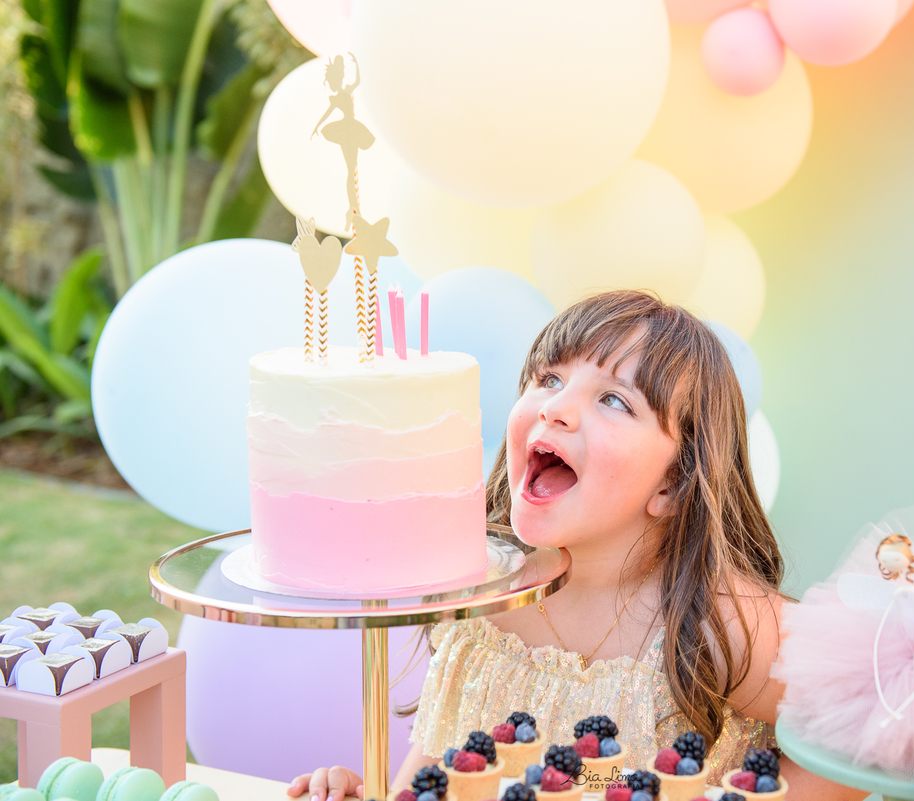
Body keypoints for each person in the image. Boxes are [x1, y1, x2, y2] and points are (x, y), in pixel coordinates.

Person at [288, 291, 868, 801]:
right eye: (548, 379)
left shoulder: (714, 622)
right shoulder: (478, 591)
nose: (556, 407)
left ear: (672, 483)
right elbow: (445, 773)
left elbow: (871, 725)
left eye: (614, 400)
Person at [311, 54, 374, 231]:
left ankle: (353, 210)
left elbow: (357, 82)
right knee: (350, 169)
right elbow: (328, 113)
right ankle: (353, 209)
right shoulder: (337, 97)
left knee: (352, 168)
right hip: (347, 130)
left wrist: (357, 64)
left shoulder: (346, 90)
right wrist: (316, 126)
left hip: (351, 128)